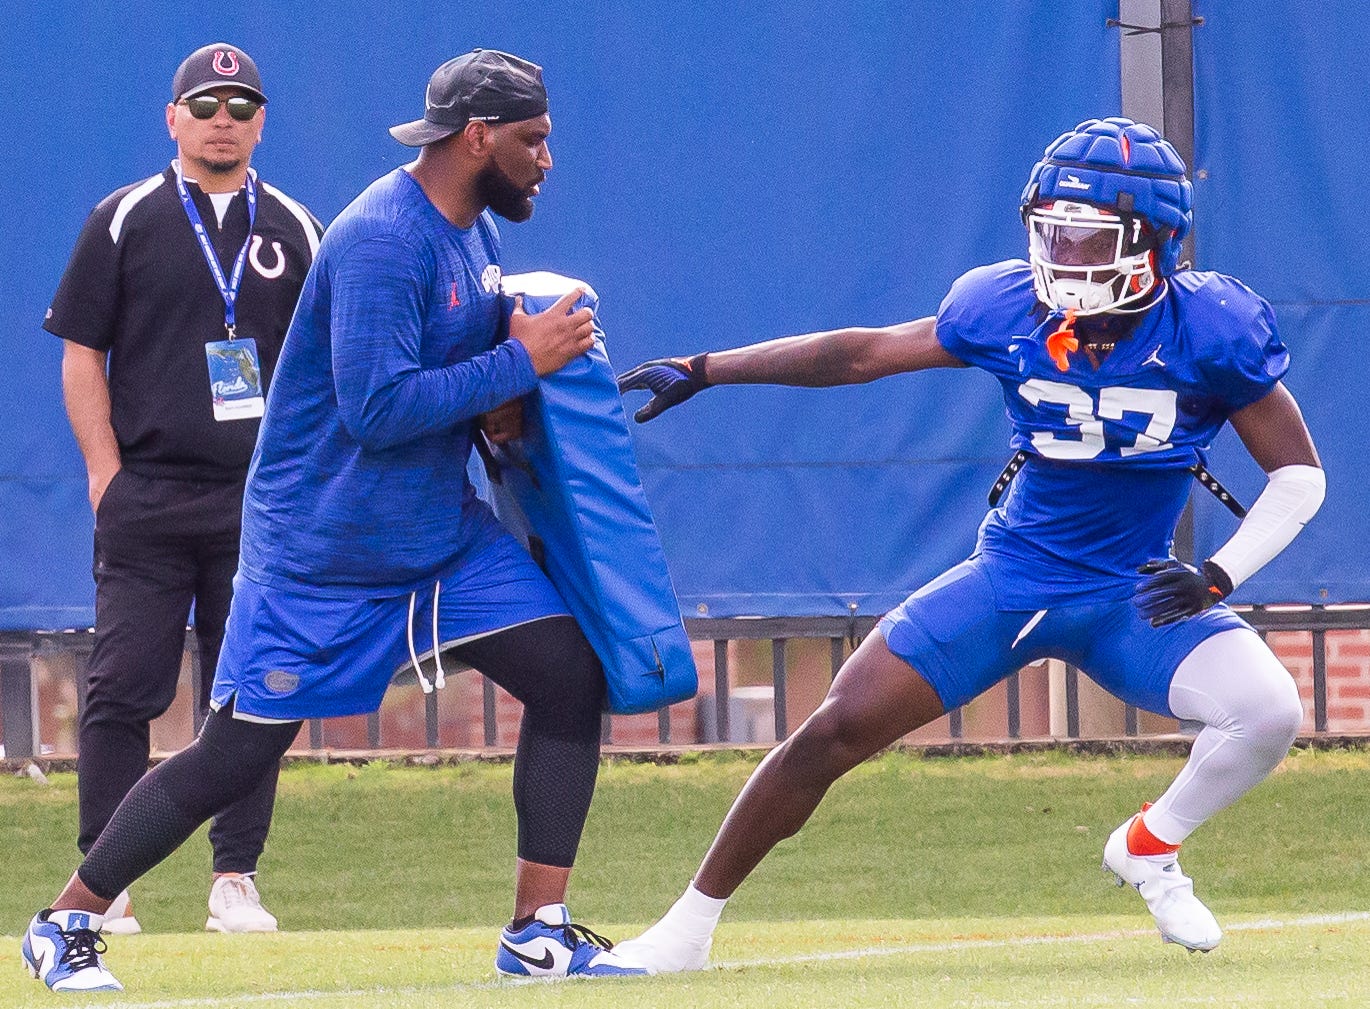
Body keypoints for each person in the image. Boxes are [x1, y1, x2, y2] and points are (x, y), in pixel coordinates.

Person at [612, 117, 1324, 971]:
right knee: (833, 729)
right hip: (1013, 576)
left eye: (1087, 238)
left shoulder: (1210, 327)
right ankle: (685, 929)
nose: (1062, 254)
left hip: (1132, 595)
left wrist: (1217, 573)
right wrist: (707, 368)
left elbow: (1299, 475)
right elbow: (861, 355)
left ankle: (1149, 842)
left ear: (1157, 241)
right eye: (1052, 230)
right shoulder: (1004, 305)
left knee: (1270, 709)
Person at [22, 48, 648, 994]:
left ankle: (537, 929)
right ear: (477, 137)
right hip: (325, 557)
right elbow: (377, 407)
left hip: (440, 541)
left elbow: (455, 374)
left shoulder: (471, 231)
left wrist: (504, 400)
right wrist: (523, 366)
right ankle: (65, 921)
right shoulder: (383, 238)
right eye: (533, 139)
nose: (545, 159)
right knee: (233, 753)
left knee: (569, 675)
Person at [41, 42, 323, 938]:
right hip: (149, 495)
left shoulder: (295, 228)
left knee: (251, 688)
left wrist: (306, 484)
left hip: (259, 500)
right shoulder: (123, 219)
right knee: (124, 685)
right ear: (173, 118)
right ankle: (106, 881)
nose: (223, 121)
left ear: (262, 122)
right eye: (205, 106)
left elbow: (319, 370)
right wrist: (104, 476)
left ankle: (235, 876)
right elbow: (82, 352)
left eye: (241, 107)